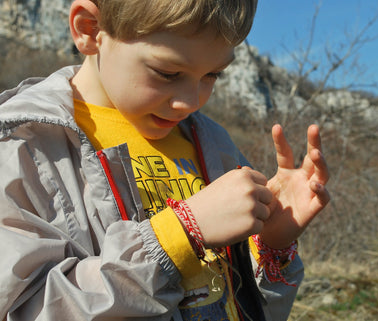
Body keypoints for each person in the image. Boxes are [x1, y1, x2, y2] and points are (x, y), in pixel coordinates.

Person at [0, 0, 330, 320]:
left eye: (213, 75)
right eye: (167, 73)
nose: (190, 102)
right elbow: (23, 308)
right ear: (90, 29)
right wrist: (179, 234)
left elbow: (247, 304)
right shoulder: (23, 146)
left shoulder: (216, 145)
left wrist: (270, 246)